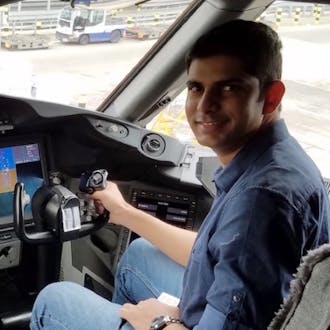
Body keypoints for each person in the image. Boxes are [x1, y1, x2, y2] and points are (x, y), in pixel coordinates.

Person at [30, 19, 330, 330]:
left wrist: (157, 322)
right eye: (196, 88)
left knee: (55, 300)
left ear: (270, 97)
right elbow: (221, 255)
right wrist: (125, 214)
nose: (205, 105)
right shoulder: (275, 159)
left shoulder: (261, 201)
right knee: (140, 254)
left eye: (229, 88)